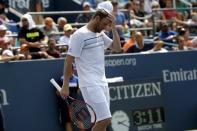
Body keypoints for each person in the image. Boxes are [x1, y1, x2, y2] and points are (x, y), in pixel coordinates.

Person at [59, 1, 122, 131]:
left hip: (102, 82)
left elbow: (117, 48)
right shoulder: (79, 35)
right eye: (105, 24)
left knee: (102, 124)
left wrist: (114, 27)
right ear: (97, 18)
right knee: (105, 119)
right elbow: (68, 61)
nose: (105, 27)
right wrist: (65, 85)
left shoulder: (100, 33)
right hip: (89, 84)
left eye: (108, 25)